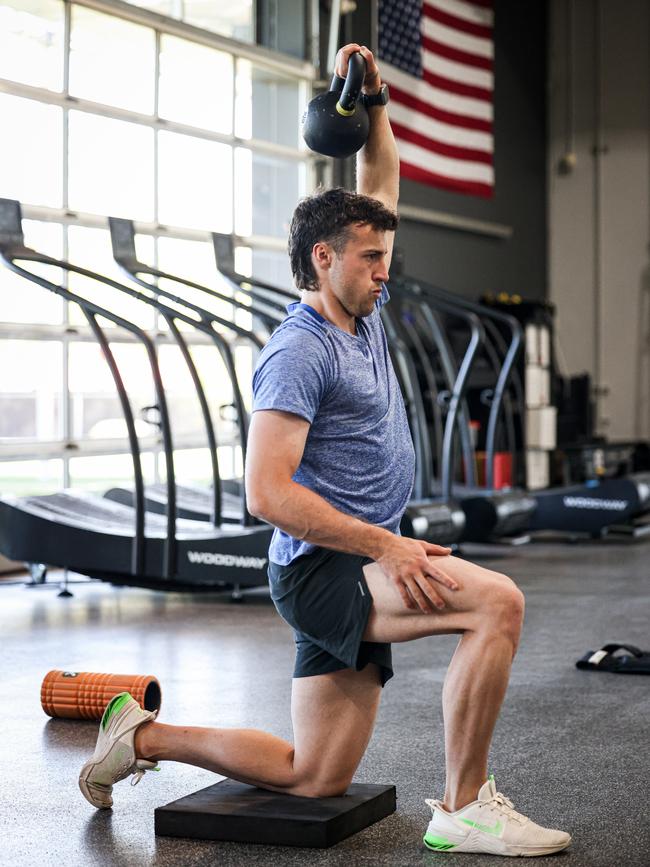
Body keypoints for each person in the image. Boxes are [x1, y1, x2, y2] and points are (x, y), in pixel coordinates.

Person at [79, 44, 571, 858]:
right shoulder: (299, 351)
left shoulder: (361, 301)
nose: (387, 272)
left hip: (344, 561)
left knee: (316, 774)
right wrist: (385, 543)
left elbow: (380, 183)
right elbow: (266, 491)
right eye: (372, 259)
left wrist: (375, 99)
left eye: (386, 255)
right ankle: (463, 804)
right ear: (323, 259)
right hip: (325, 567)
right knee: (497, 603)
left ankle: (142, 737)